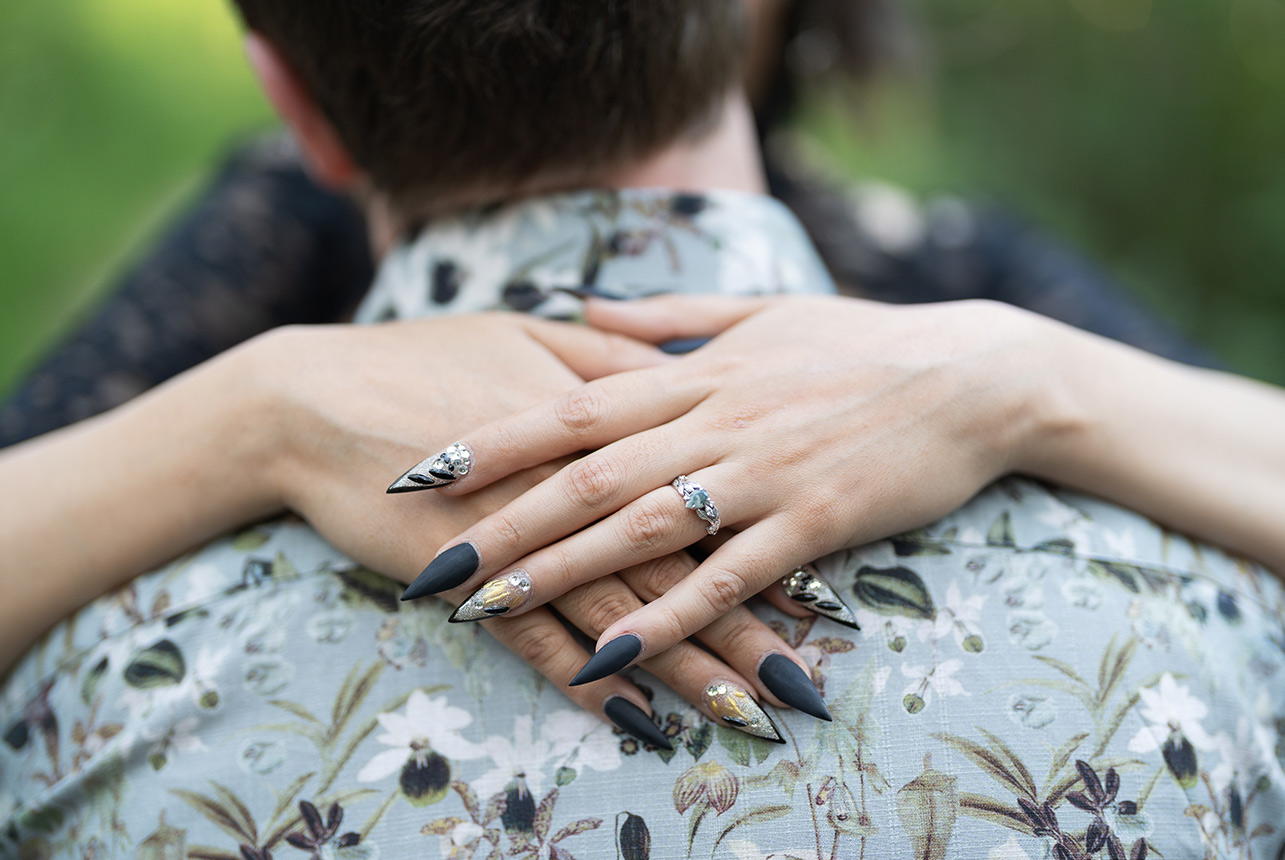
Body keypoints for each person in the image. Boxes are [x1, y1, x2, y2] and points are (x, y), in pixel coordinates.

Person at [2, 3, 1283, 859]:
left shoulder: (72, 691)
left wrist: (1013, 370)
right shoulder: (1220, 621)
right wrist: (262, 406)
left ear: (288, 92)